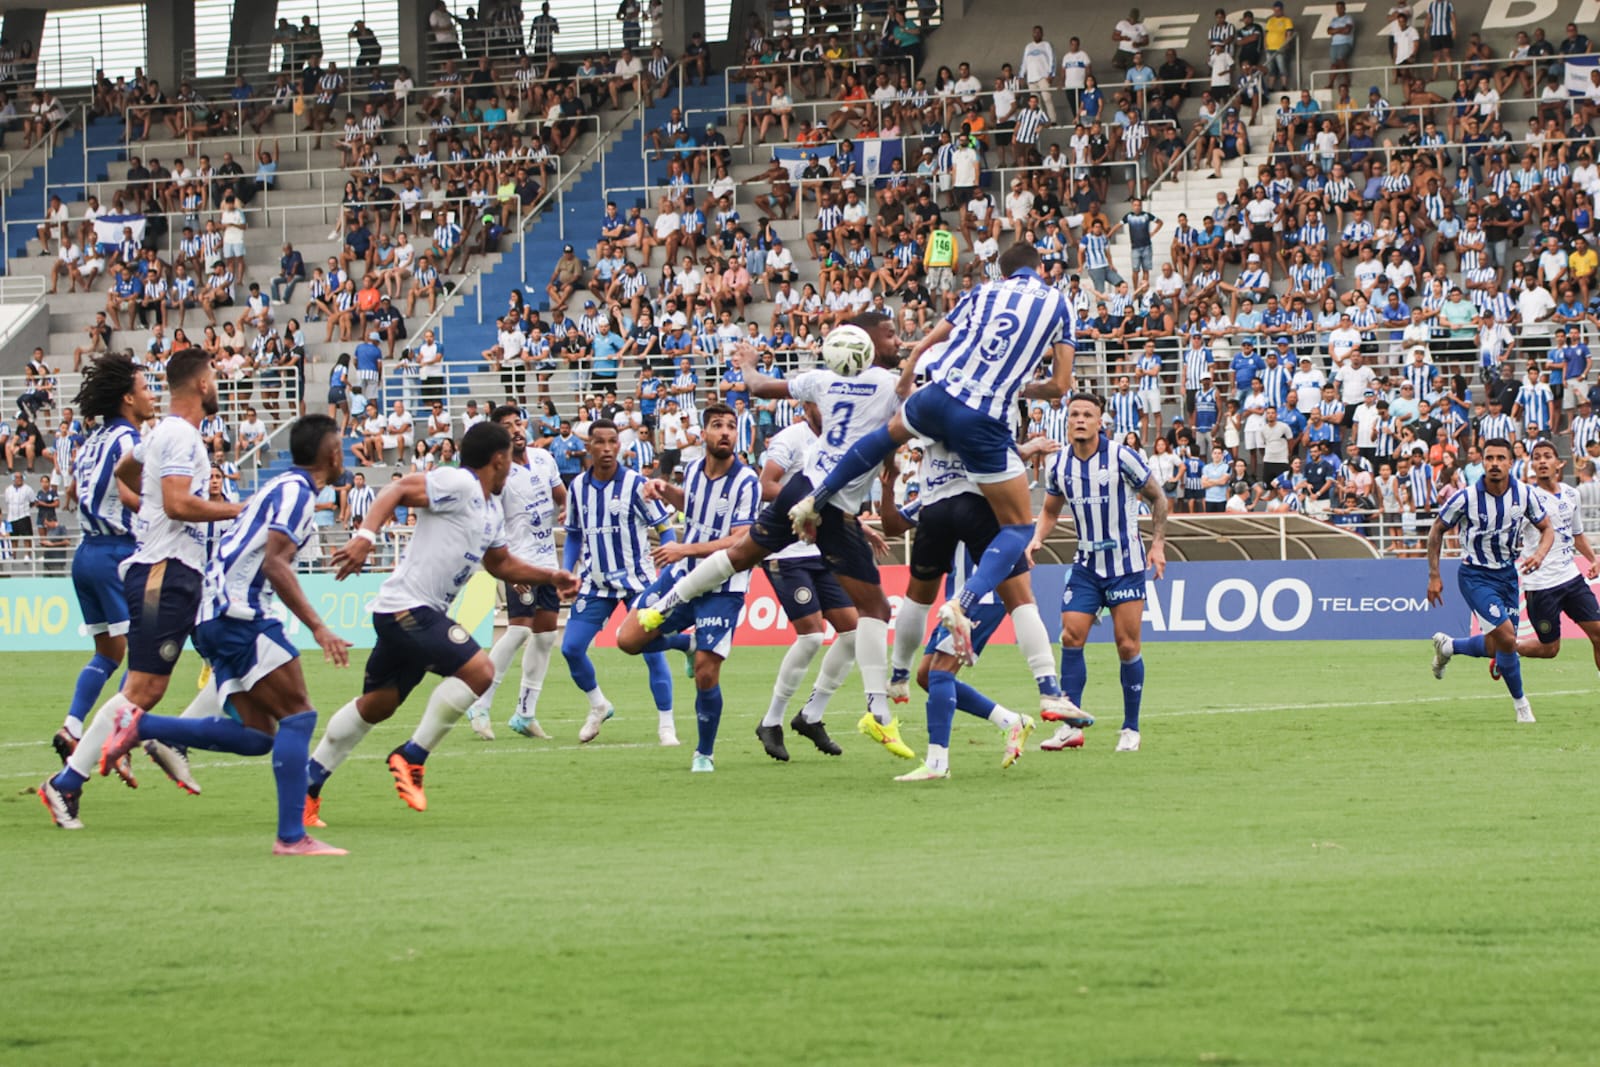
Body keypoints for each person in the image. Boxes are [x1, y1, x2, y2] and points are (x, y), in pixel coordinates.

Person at [637, 317, 916, 759]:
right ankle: (878, 715)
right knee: (872, 610)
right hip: (828, 506)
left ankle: (663, 606)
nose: (897, 339)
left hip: (806, 489)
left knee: (742, 555)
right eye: (889, 333)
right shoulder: (887, 385)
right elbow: (913, 407)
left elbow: (761, 387)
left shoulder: (823, 380)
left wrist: (748, 364)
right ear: (866, 342)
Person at [785, 243, 1077, 665]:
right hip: (981, 435)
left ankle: (816, 497)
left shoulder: (983, 291)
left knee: (883, 438)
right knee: (1018, 533)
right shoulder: (1058, 303)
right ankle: (973, 611)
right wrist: (1018, 388)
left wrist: (908, 373)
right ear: (1040, 270)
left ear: (1004, 271)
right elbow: (1060, 386)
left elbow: (926, 342)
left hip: (936, 412)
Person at [98, 416, 354, 856]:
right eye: (341, 447)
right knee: (299, 717)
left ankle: (142, 725)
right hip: (240, 612)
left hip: (213, 615)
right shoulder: (297, 493)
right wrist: (318, 626)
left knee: (258, 736)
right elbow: (275, 563)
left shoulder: (279, 487)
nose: (343, 454)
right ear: (331, 455)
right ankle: (292, 837)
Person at [302, 422, 578, 823]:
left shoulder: (491, 509)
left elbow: (501, 564)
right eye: (509, 460)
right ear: (499, 460)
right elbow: (397, 490)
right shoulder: (460, 483)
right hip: (409, 608)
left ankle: (306, 788)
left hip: (410, 612)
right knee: (480, 671)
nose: (512, 467)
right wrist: (365, 536)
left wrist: (551, 576)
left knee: (377, 705)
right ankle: (412, 756)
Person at [39, 349, 244, 829]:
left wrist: (145, 507)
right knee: (143, 688)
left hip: (180, 571)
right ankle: (66, 782)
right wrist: (243, 510)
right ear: (201, 385)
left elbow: (125, 473)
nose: (217, 385)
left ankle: (170, 738)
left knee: (235, 654)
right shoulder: (178, 434)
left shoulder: (157, 435)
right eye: (214, 378)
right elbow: (177, 504)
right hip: (161, 571)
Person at [876, 439, 1071, 780]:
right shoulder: (938, 495)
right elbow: (893, 526)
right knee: (927, 676)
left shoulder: (989, 490)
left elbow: (1001, 453)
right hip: (956, 598)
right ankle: (1011, 721)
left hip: (985, 596)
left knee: (939, 673)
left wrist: (1026, 449)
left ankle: (937, 763)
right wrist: (889, 486)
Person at [615, 404, 761, 772]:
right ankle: (686, 643)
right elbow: (693, 505)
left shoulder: (747, 481)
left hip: (723, 586)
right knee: (628, 640)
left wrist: (684, 549)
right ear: (703, 433)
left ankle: (703, 753)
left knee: (706, 672)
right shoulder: (694, 469)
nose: (725, 432)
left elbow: (740, 540)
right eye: (717, 425)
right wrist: (666, 490)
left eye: (731, 426)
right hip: (681, 576)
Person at [1029, 392, 1170, 752]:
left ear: (1100, 422)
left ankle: (1131, 728)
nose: (1079, 419)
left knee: (1127, 645)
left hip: (1125, 565)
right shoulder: (1059, 464)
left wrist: (1157, 545)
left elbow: (1158, 497)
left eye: (1087, 415)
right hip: (1086, 565)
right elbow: (1049, 510)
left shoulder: (1122, 457)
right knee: (1070, 636)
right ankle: (1070, 728)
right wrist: (1037, 538)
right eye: (1074, 414)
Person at [49, 355, 156, 763]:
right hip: (118, 554)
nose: (151, 395)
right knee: (145, 650)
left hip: (86, 555)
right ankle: (116, 735)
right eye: (145, 388)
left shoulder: (93, 440)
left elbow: (76, 490)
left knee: (108, 653)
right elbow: (134, 495)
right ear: (127, 398)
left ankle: (72, 726)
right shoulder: (130, 442)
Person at [559, 419, 683, 746]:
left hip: (638, 584)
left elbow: (665, 529)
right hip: (595, 584)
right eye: (599, 442)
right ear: (588, 447)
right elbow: (574, 535)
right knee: (571, 648)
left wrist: (668, 566)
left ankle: (666, 725)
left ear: (619, 445)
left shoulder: (636, 484)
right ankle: (599, 705)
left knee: (650, 652)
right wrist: (566, 571)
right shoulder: (577, 488)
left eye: (612, 441)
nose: (606, 448)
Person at [746, 412, 858, 760]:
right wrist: (809, 504)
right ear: (809, 404)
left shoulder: (838, 440)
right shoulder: (790, 438)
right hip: (786, 551)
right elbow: (766, 484)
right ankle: (771, 721)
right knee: (810, 636)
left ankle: (811, 715)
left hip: (821, 549)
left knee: (854, 634)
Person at [1427, 438, 1552, 724]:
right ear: (1483, 462)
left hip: (1508, 577)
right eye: (1490, 458)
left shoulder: (1525, 494)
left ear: (1511, 462)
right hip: (1475, 576)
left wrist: (1540, 554)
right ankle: (1522, 707)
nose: (1495, 464)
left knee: (1497, 646)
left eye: (1500, 458)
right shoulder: (1466, 497)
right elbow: (1437, 530)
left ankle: (1449, 647)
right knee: (1507, 639)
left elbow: (1547, 528)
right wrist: (1434, 574)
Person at [464, 406, 567, 741]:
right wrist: (506, 571)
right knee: (519, 630)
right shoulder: (498, 472)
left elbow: (561, 497)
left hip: (547, 562)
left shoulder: (544, 459)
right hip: (517, 561)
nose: (516, 430)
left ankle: (525, 713)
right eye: (507, 426)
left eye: (518, 423)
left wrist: (568, 510)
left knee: (546, 636)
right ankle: (480, 703)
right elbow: (486, 518)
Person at [1512, 440, 1600, 672]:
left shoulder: (1572, 494)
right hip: (1541, 584)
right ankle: (1509, 648)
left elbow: (1577, 534)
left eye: (1547, 456)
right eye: (1537, 457)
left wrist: (1593, 558)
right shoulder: (1527, 497)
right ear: (1532, 465)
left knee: (1599, 633)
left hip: (1570, 578)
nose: (1542, 461)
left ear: (1559, 463)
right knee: (1550, 649)